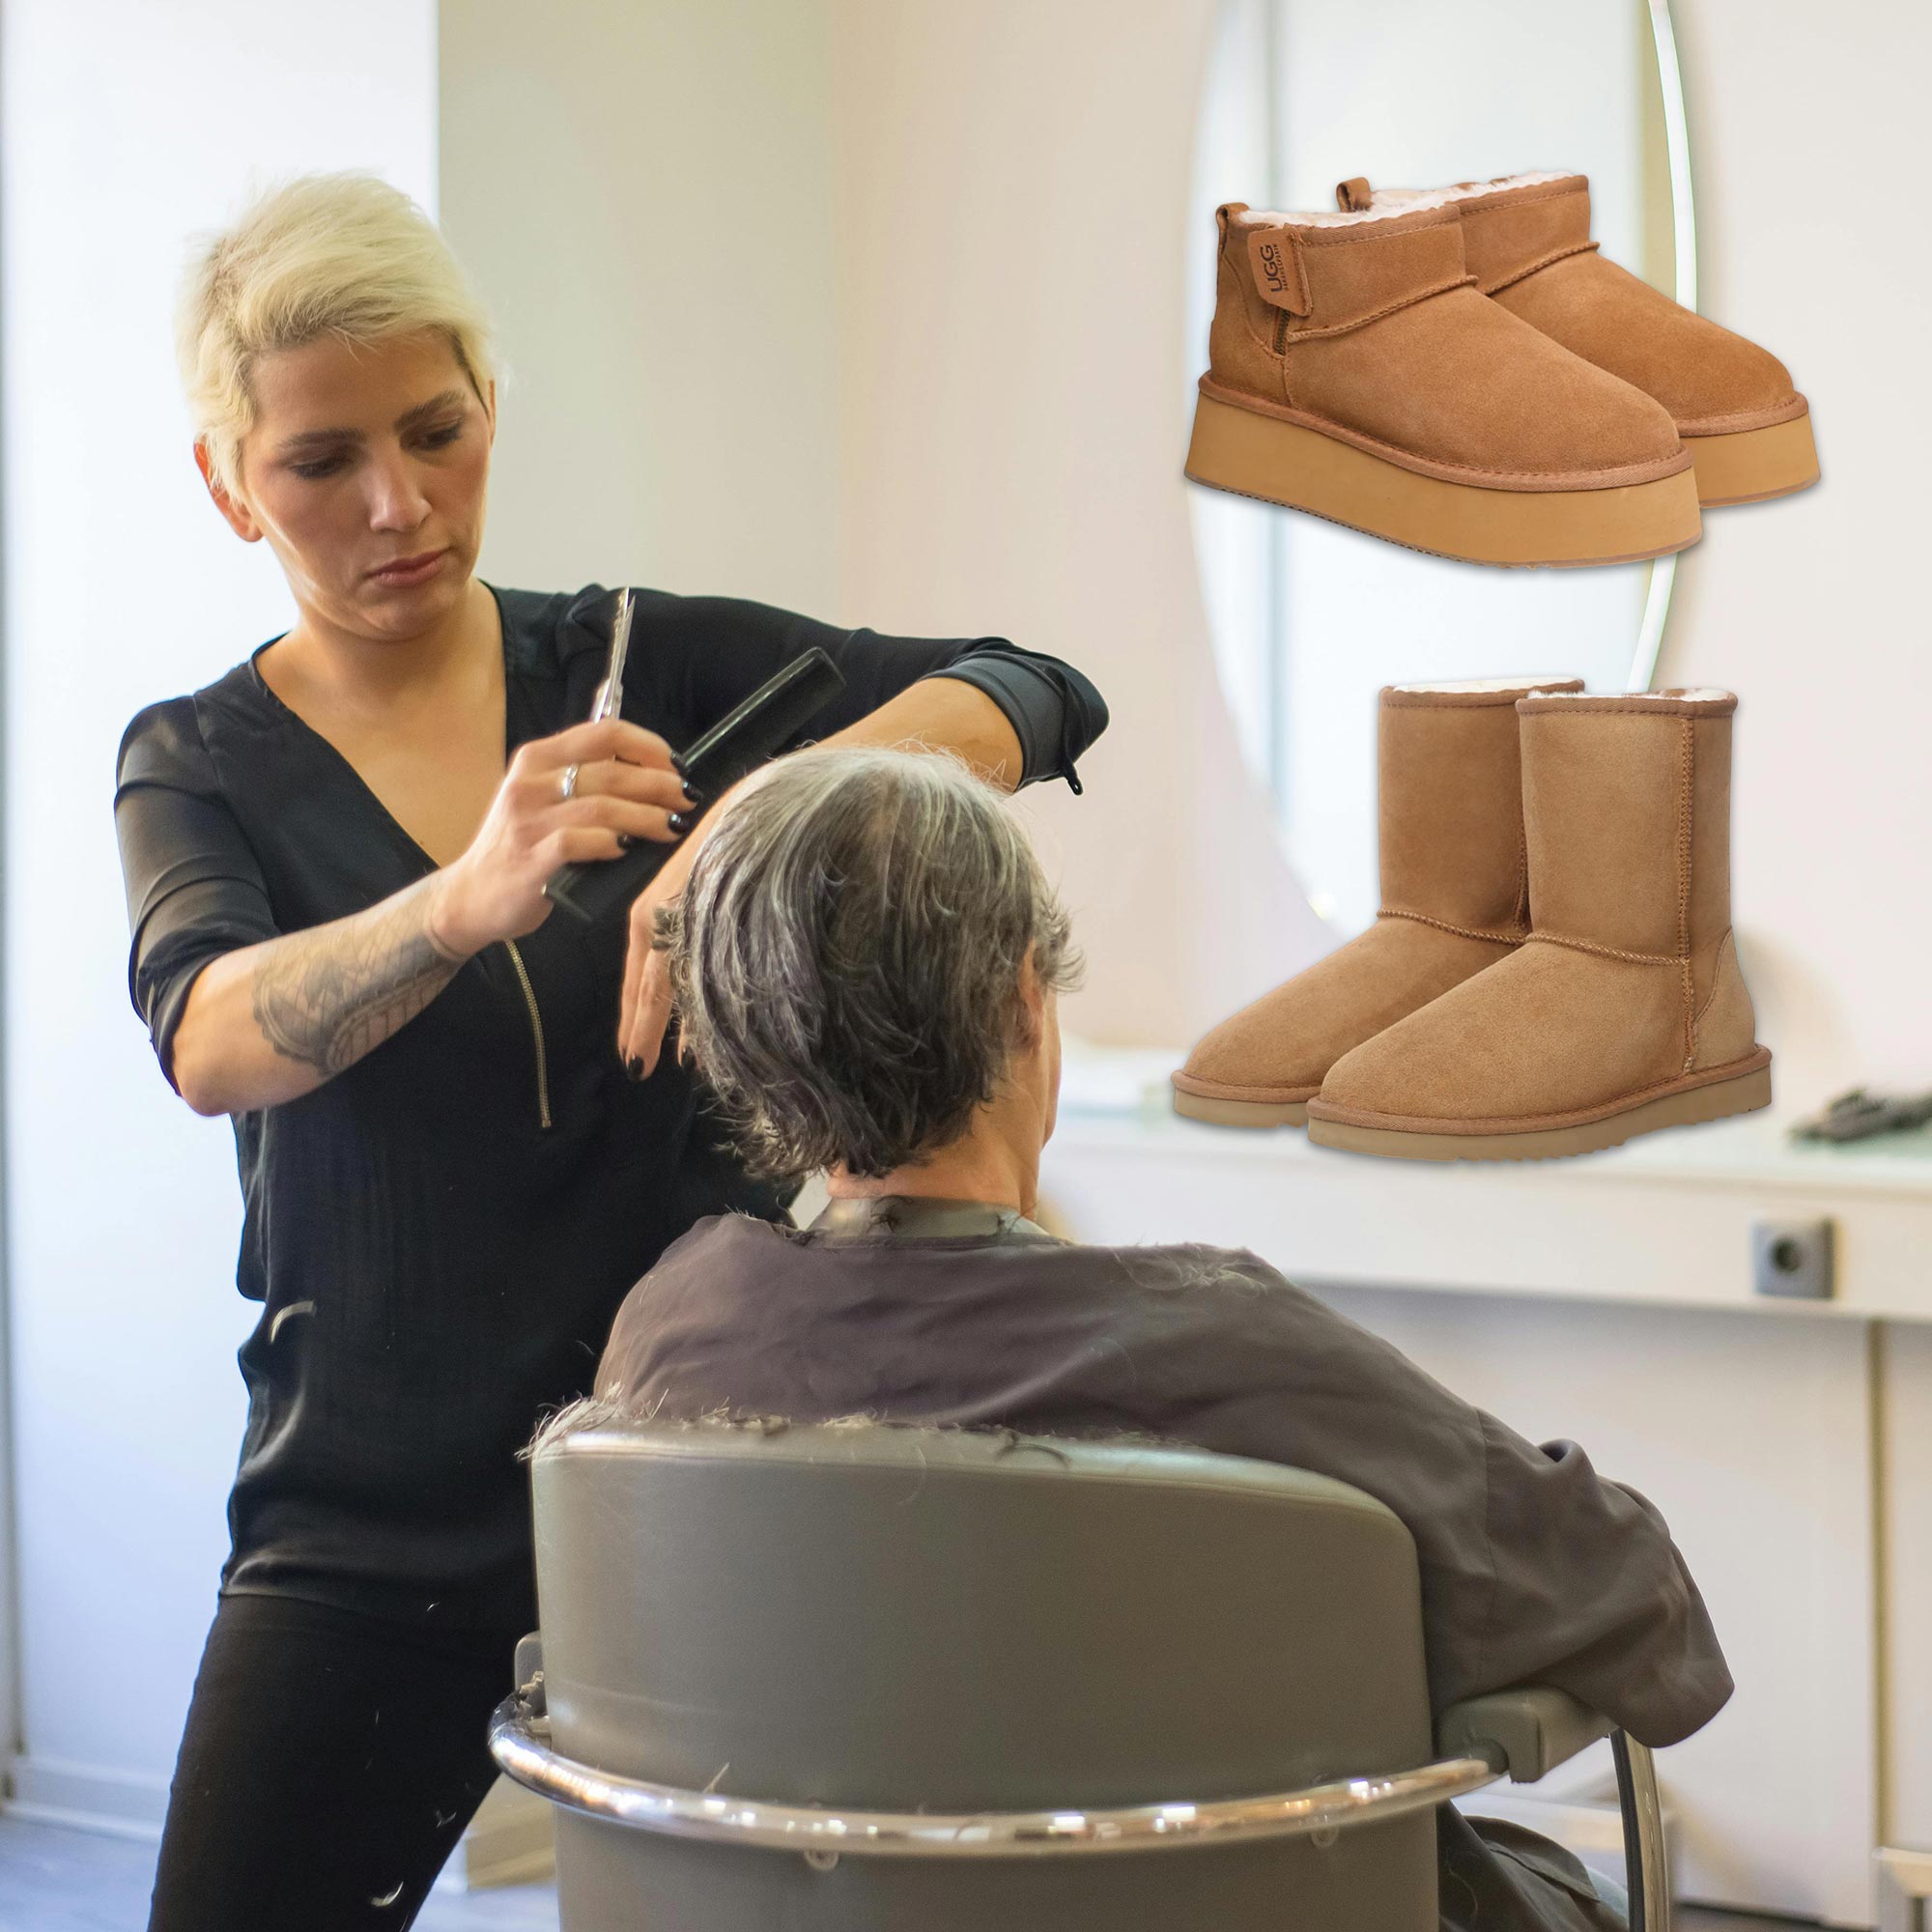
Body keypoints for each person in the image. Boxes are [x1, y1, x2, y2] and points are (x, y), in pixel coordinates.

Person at [113, 173, 1107, 1932]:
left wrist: (762, 818)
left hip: (717, 1479)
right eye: (320, 463)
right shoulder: (199, 758)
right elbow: (207, 1037)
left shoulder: (639, 665)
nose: (400, 505)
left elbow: (1030, 687)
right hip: (375, 1519)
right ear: (224, 482)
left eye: (438, 429)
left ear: (489, 399)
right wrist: (461, 901)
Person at [596, 745, 1734, 1932]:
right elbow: (1620, 1596)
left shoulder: (671, 1335)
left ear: (740, 1038)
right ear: (1018, 1002)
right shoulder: (1222, 1348)